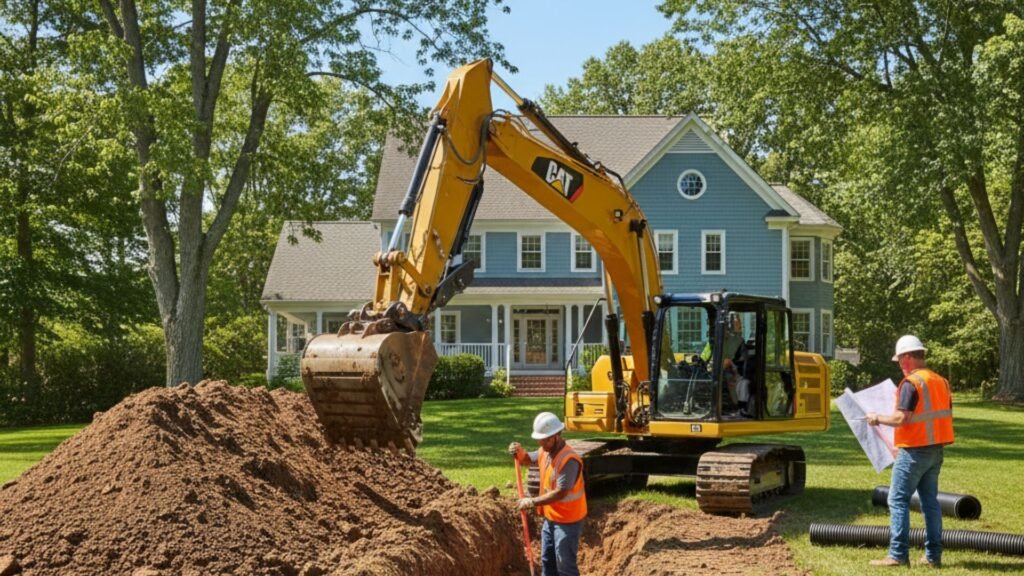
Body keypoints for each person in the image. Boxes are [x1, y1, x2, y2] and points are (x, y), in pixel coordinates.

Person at [866, 335, 954, 568]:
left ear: (907, 357)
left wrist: (877, 418)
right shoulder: (941, 381)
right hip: (936, 451)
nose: (899, 365)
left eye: (900, 360)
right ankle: (933, 557)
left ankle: (897, 555)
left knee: (897, 499)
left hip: (914, 452)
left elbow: (901, 418)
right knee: (930, 503)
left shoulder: (911, 383)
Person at [509, 412, 587, 576]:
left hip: (568, 521)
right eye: (539, 439)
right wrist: (519, 453)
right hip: (550, 518)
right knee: (547, 562)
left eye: (544, 439)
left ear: (556, 436)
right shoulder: (546, 450)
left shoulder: (568, 460)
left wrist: (532, 501)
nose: (541, 442)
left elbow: (561, 492)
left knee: (565, 566)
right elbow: (528, 459)